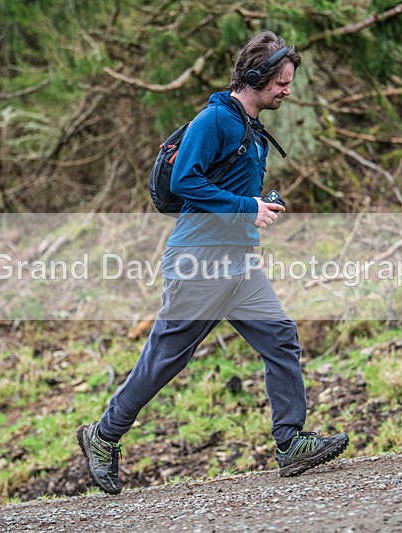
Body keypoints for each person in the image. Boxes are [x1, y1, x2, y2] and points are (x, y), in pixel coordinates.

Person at [76, 31, 348, 495]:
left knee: (281, 336)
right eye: (281, 82)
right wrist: (247, 208)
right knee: (165, 358)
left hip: (238, 264)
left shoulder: (249, 128)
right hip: (198, 262)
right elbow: (184, 181)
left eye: (289, 82)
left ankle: (289, 442)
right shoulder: (215, 119)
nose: (287, 91)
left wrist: (257, 205)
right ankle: (103, 436)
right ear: (256, 77)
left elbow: (228, 190)